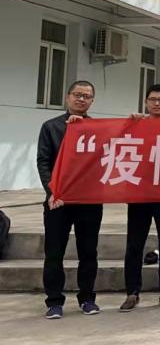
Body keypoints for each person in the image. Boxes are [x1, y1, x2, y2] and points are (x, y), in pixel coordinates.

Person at [38, 81, 102, 319]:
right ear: (68, 97)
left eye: (87, 96)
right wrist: (52, 191)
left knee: (89, 252)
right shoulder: (51, 127)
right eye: (77, 94)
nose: (81, 99)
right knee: (54, 252)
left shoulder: (98, 129)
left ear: (92, 101)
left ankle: (87, 299)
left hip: (89, 202)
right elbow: (43, 162)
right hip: (59, 202)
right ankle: (54, 301)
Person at [120, 84, 160, 311]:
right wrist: (128, 124)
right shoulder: (135, 126)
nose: (157, 103)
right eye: (153, 99)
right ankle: (132, 293)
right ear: (145, 102)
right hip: (139, 194)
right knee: (134, 245)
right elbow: (112, 144)